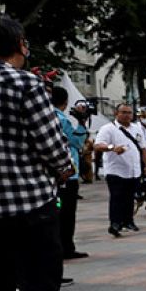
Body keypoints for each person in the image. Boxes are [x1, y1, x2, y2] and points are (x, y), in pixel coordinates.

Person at [0, 13, 87, 291]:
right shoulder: (25, 84)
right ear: (19, 45)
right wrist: (63, 170)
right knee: (37, 281)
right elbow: (52, 146)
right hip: (29, 204)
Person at [93, 103, 146, 237]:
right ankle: (115, 223)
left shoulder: (137, 128)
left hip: (133, 169)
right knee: (117, 196)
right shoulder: (108, 129)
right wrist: (112, 148)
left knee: (129, 197)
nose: (127, 115)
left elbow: (143, 148)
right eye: (123, 112)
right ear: (116, 114)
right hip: (115, 170)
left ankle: (128, 221)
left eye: (129, 113)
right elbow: (98, 145)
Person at [51, 87, 88, 260]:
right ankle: (66, 248)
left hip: (53, 174)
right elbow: (77, 141)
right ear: (65, 102)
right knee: (66, 214)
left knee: (57, 213)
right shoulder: (61, 118)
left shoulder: (46, 116)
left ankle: (60, 247)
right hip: (68, 173)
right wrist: (81, 122)